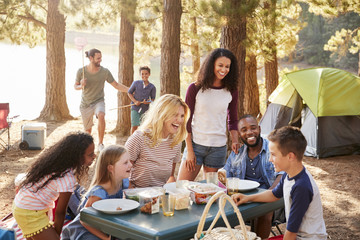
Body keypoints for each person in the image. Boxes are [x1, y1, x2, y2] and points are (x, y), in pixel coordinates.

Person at [232, 126, 327, 240]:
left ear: (290, 156)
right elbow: (273, 194)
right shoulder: (289, 174)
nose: (270, 159)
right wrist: (247, 198)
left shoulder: (301, 186)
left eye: (273, 154)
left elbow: (291, 233)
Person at [12, 132, 95, 240]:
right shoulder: (67, 178)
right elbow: (60, 213)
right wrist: (55, 236)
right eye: (90, 154)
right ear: (77, 156)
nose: (94, 156)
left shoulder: (56, 164)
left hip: (23, 206)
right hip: (28, 211)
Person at [177, 48, 240, 181]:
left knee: (211, 191)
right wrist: (189, 151)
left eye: (227, 66)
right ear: (212, 65)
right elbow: (186, 121)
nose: (224, 69)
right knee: (181, 188)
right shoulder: (195, 88)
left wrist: (235, 140)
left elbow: (233, 119)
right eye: (220, 65)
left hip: (218, 148)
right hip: (196, 144)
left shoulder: (232, 90)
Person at [223, 114, 284, 239]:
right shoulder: (236, 153)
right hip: (243, 199)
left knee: (264, 211)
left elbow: (282, 175)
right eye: (244, 130)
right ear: (239, 134)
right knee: (222, 211)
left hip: (271, 198)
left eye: (253, 128)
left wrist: (268, 194)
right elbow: (224, 176)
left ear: (259, 129)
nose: (249, 132)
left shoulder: (273, 148)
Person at [61, 145, 132, 240]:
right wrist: (106, 238)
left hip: (105, 227)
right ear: (111, 168)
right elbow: (84, 220)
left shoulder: (123, 182)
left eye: (129, 161)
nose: (130, 165)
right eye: (125, 163)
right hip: (85, 230)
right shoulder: (99, 193)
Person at [125, 94, 190, 188]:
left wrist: (176, 191)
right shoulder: (139, 138)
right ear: (162, 114)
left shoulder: (176, 142)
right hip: (136, 195)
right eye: (175, 115)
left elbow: (170, 177)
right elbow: (122, 175)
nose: (180, 120)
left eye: (182, 116)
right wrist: (134, 195)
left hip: (159, 196)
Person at [74, 48, 129, 152]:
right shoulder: (81, 71)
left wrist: (129, 90)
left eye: (101, 58)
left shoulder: (104, 72)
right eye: (98, 58)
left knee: (101, 115)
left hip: (99, 101)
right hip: (85, 103)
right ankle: (88, 147)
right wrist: (81, 85)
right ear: (91, 58)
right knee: (88, 130)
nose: (100, 60)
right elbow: (75, 86)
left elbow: (116, 85)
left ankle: (100, 143)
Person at [128, 66, 156, 134]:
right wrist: (135, 101)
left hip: (145, 110)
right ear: (140, 75)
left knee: (143, 127)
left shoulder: (152, 87)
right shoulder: (136, 83)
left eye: (146, 74)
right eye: (142, 74)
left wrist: (147, 102)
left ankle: (141, 142)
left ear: (149, 74)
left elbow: (152, 99)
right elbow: (129, 93)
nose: (144, 75)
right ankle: (132, 142)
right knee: (134, 126)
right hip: (135, 108)